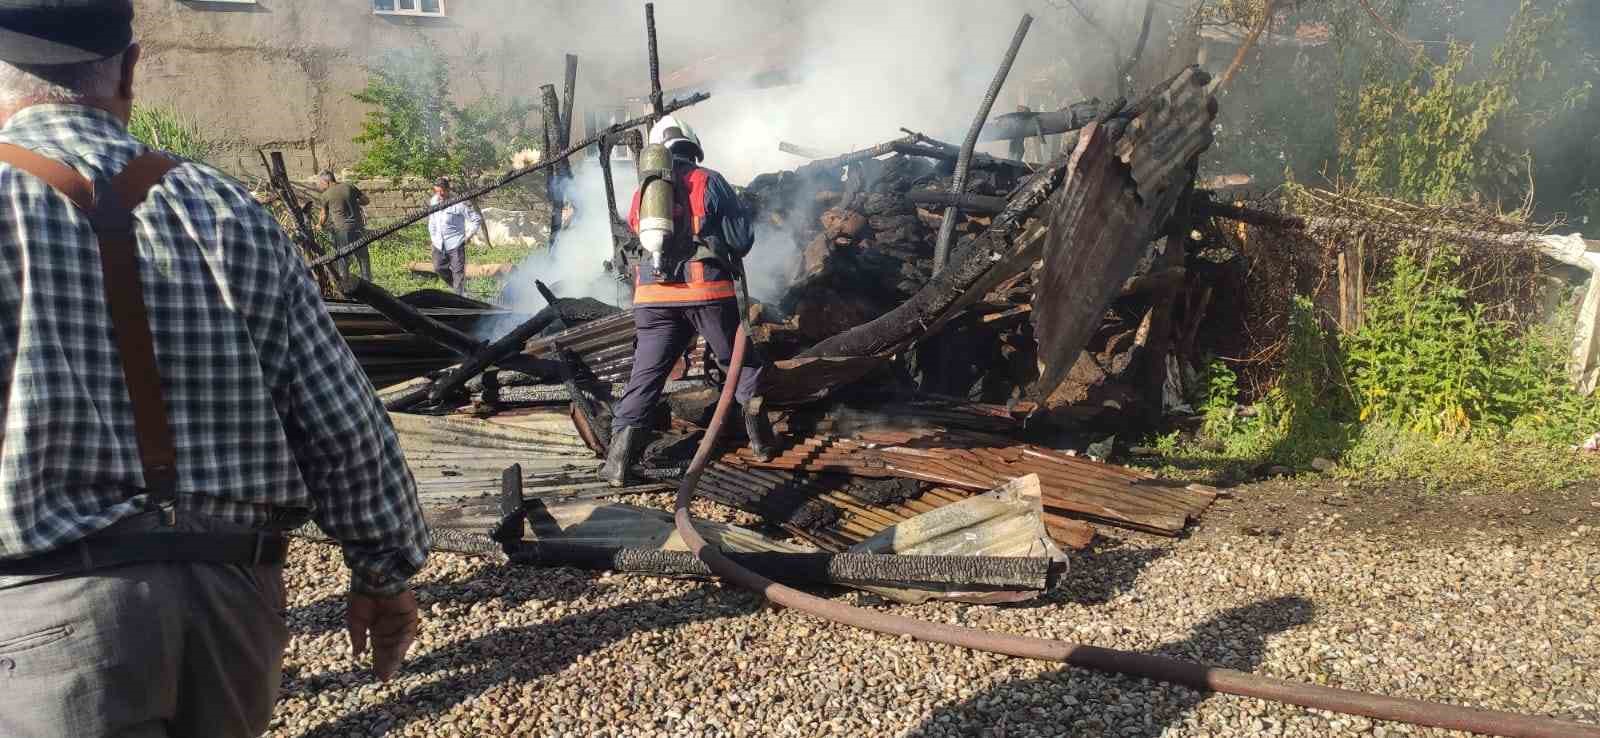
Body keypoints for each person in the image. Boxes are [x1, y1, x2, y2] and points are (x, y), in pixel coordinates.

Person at [0, 3, 431, 737]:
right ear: (129, 70)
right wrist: (384, 574)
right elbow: (345, 423)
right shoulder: (226, 208)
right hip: (234, 604)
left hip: (50, 610)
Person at [600, 115, 778, 486]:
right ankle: (761, 441)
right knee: (739, 362)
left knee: (645, 377)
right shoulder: (708, 180)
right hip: (705, 291)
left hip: (652, 297)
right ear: (692, 147)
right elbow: (741, 240)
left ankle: (618, 463)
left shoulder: (643, 193)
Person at [311, 169, 371, 281]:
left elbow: (324, 214)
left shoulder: (326, 195)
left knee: (343, 258)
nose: (319, 186)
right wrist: (354, 202)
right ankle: (368, 283)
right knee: (363, 258)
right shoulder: (349, 186)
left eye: (320, 183)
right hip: (358, 228)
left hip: (343, 231)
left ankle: (344, 283)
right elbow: (366, 200)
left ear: (326, 182)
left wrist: (319, 225)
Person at [427, 176, 482, 295]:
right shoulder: (434, 201)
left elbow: (476, 219)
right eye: (437, 191)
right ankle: (460, 290)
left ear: (448, 190)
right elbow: (432, 221)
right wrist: (433, 238)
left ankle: (460, 296)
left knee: (458, 273)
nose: (439, 194)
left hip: (455, 243)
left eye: (442, 191)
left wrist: (469, 236)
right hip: (438, 244)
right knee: (438, 268)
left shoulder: (459, 204)